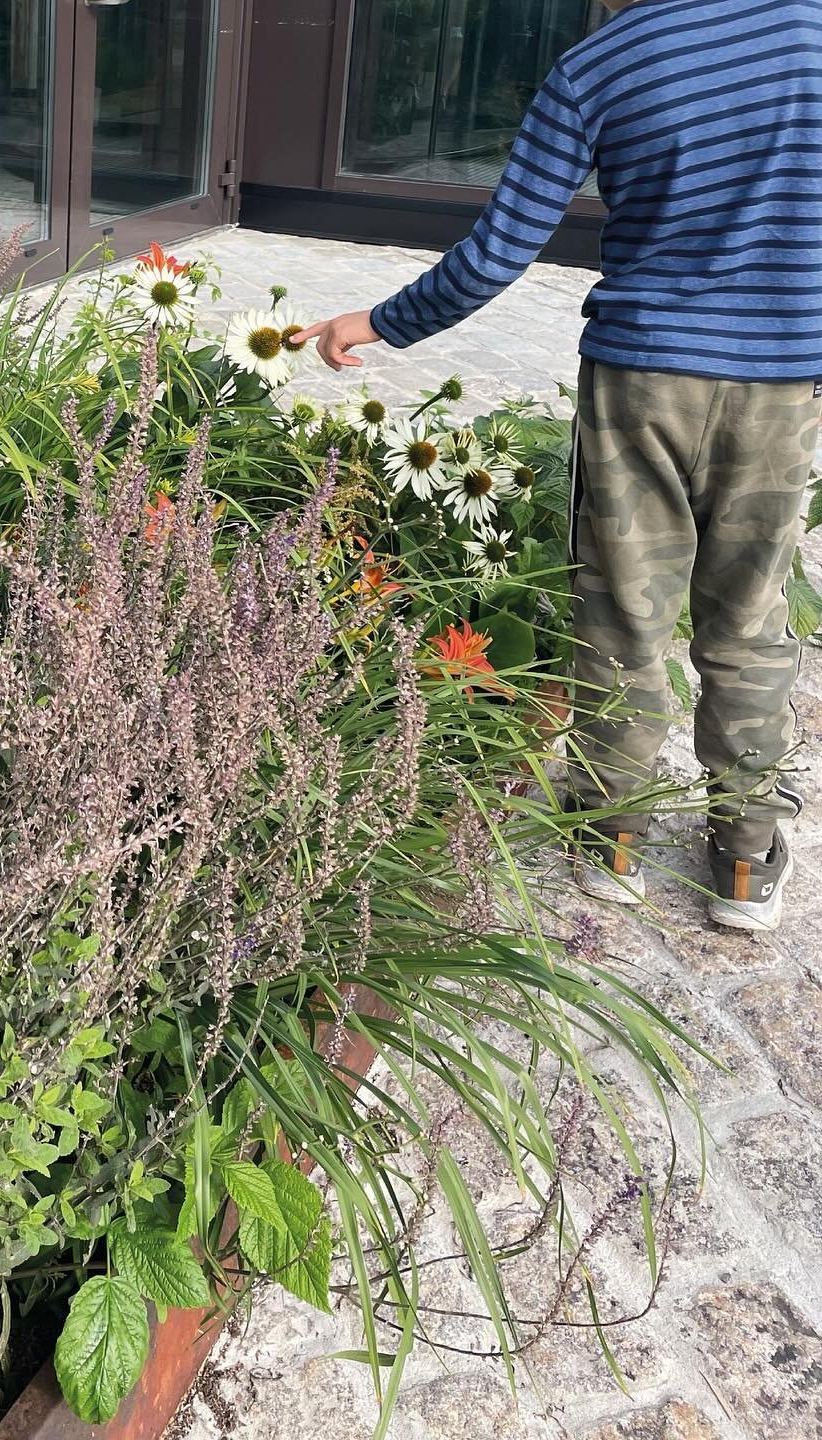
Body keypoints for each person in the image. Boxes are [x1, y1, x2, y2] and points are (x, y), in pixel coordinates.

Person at [294, 0, 822, 933]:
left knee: (622, 610)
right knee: (750, 618)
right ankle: (744, 861)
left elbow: (498, 249)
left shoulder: (599, 64)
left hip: (639, 378)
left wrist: (375, 322)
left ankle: (609, 837)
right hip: (781, 385)